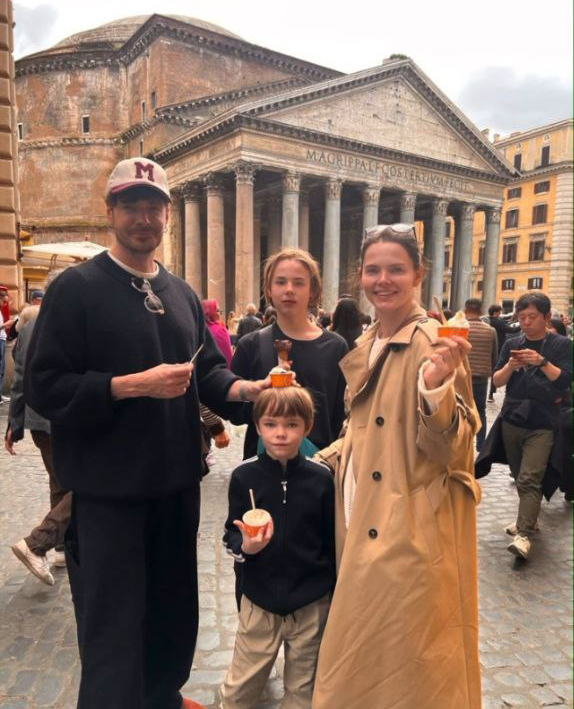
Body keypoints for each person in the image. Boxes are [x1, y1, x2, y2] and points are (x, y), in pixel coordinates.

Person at [25, 157, 270, 709]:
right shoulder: (75, 289)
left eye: (153, 208)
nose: (143, 218)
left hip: (176, 488)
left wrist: (244, 390)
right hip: (109, 495)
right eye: (131, 206)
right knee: (112, 630)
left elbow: (206, 372)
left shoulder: (180, 293)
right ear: (111, 211)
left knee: (172, 615)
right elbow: (45, 386)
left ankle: (163, 699)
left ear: (167, 216)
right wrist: (129, 386)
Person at [312, 223, 481, 709]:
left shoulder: (432, 341)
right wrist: (316, 458)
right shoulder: (372, 338)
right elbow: (367, 433)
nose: (382, 280)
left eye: (396, 270)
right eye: (373, 270)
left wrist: (435, 389)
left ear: (418, 275)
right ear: (360, 276)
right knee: (377, 662)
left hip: (405, 529)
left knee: (406, 666)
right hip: (365, 512)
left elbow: (457, 450)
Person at [221, 386, 335, 708]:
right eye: (271, 424)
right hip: (259, 602)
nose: (281, 433)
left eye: (291, 424)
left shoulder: (322, 479)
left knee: (303, 690)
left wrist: (331, 592)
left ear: (307, 427)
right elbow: (231, 534)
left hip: (310, 604)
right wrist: (247, 546)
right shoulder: (244, 476)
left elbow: (332, 541)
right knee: (240, 689)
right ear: (258, 427)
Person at [476, 291, 572, 559]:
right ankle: (529, 518)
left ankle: (524, 535)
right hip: (513, 418)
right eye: (522, 317)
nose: (526, 322)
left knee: (531, 477)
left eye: (532, 317)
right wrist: (510, 366)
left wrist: (541, 362)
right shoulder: (512, 342)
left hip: (544, 420)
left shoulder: (561, 345)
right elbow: (497, 381)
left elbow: (564, 380)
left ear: (546, 316)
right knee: (520, 475)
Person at [231, 248, 348, 460]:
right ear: (269, 290)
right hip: (263, 469)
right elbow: (235, 413)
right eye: (281, 282)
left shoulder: (336, 347)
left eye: (299, 283)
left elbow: (341, 415)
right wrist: (264, 398)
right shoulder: (250, 345)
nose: (289, 289)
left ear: (313, 291)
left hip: (320, 465)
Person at [5, 302, 71, 585]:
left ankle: (63, 549)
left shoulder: (30, 327)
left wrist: (15, 423)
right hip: (67, 419)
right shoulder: (72, 321)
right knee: (88, 482)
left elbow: (20, 378)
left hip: (39, 418)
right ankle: (38, 542)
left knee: (59, 483)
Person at [464, 298, 498, 451]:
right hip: (481, 377)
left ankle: (463, 444)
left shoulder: (459, 329)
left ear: (465, 311)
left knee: (460, 411)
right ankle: (481, 445)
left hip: (461, 377)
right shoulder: (490, 331)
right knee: (480, 411)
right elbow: (495, 356)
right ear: (481, 311)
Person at [487, 304, 515, 400]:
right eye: (499, 312)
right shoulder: (498, 322)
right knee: (495, 370)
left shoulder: (487, 320)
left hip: (488, 349)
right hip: (498, 349)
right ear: (496, 312)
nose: (500, 314)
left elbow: (504, 322)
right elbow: (511, 330)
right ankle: (491, 393)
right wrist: (521, 325)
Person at [202, 299, 233, 366]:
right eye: (218, 311)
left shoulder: (198, 329)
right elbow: (227, 357)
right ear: (211, 312)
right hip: (217, 369)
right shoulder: (220, 330)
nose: (219, 314)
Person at [0, 289, 16, 400]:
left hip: (2, 339)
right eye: (4, 301)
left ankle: (0, 395)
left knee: (2, 369)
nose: (5, 304)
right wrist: (6, 324)